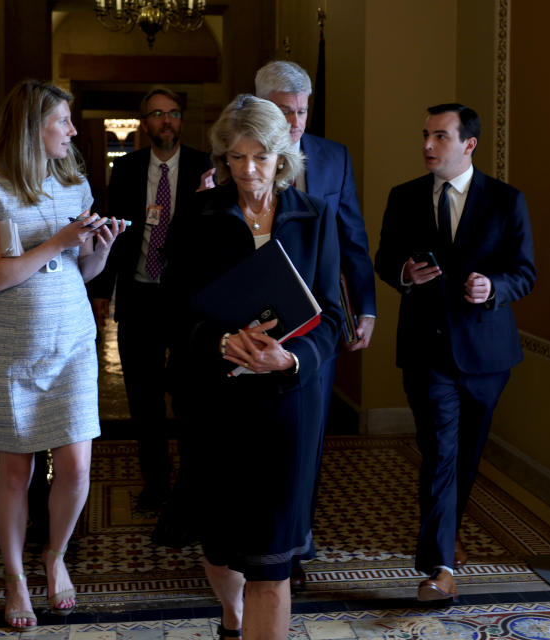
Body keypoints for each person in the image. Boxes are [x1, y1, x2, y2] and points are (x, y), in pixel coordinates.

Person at [163, 94, 343, 640]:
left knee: (272, 560)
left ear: (282, 158)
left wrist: (291, 357)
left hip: (289, 407)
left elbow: (333, 319)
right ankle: (232, 615)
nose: (247, 170)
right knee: (219, 544)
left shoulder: (315, 218)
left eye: (260, 157)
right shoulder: (197, 216)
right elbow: (172, 312)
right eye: (237, 157)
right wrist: (218, 343)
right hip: (214, 405)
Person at [0, 80, 126, 631]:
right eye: (64, 121)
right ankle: (14, 576)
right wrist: (57, 240)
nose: (74, 131)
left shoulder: (75, 183)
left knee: (77, 465)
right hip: (11, 346)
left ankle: (55, 555)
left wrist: (99, 249)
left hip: (73, 339)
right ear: (34, 127)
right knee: (15, 471)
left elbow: (82, 273)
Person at [374, 103, 535, 601]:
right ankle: (439, 567)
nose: (427, 145)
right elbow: (383, 260)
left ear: (469, 144)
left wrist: (495, 287)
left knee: (466, 455)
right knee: (440, 452)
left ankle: (448, 531)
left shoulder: (507, 201)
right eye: (425, 135)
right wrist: (405, 274)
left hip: (488, 355)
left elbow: (524, 272)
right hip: (427, 351)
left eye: (440, 136)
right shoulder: (403, 198)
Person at [253, 59, 377, 592]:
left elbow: (352, 235)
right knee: (254, 437)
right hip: (250, 320)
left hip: (315, 325)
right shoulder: (239, 157)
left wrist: (365, 306)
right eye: (285, 110)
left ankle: (296, 540)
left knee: (309, 437)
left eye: (302, 110)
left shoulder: (334, 157)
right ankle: (244, 534)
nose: (297, 120)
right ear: (261, 109)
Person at [88, 88, 212, 511]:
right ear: (144, 122)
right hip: (139, 296)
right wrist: (103, 290)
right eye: (157, 114)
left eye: (173, 113)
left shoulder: (205, 167)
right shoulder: (126, 169)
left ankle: (192, 485)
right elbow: (113, 234)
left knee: (189, 397)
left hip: (187, 303)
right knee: (143, 399)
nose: (166, 121)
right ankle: (156, 483)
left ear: (182, 119)